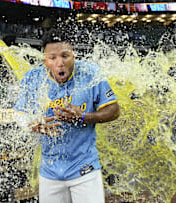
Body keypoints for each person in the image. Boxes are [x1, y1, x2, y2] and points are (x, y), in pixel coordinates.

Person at [14, 28, 120, 203]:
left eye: (65, 56)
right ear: (44, 60)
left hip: (85, 169)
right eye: (52, 58)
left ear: (74, 56)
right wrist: (32, 124)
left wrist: (84, 117)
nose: (59, 63)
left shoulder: (90, 73)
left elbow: (114, 110)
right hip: (49, 172)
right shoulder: (33, 79)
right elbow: (19, 112)